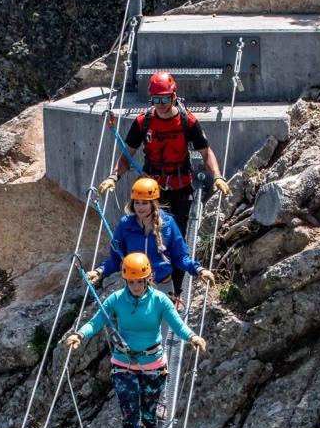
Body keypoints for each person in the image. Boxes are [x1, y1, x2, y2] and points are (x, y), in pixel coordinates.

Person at [64, 252, 206, 428]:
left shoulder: (160, 300)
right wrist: (79, 334)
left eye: (140, 281)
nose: (136, 286)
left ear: (148, 278)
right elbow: (96, 321)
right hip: (124, 366)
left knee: (149, 418)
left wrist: (192, 337)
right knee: (131, 418)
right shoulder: (116, 300)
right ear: (125, 280)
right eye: (131, 281)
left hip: (153, 367)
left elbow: (177, 324)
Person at [98, 71, 231, 298]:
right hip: (151, 190)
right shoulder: (144, 122)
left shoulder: (188, 121)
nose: (160, 104)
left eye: (164, 99)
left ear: (174, 96)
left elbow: (205, 151)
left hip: (180, 187)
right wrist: (113, 177)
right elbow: (127, 154)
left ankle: (175, 293)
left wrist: (217, 176)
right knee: (145, 235)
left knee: (174, 241)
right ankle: (145, 289)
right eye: (155, 99)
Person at [88, 176, 213, 310]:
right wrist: (99, 271)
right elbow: (116, 259)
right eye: (137, 202)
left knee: (162, 330)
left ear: (153, 203)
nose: (140, 207)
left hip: (163, 289)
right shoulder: (125, 225)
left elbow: (180, 257)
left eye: (145, 203)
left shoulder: (168, 224)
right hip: (135, 289)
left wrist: (199, 269)